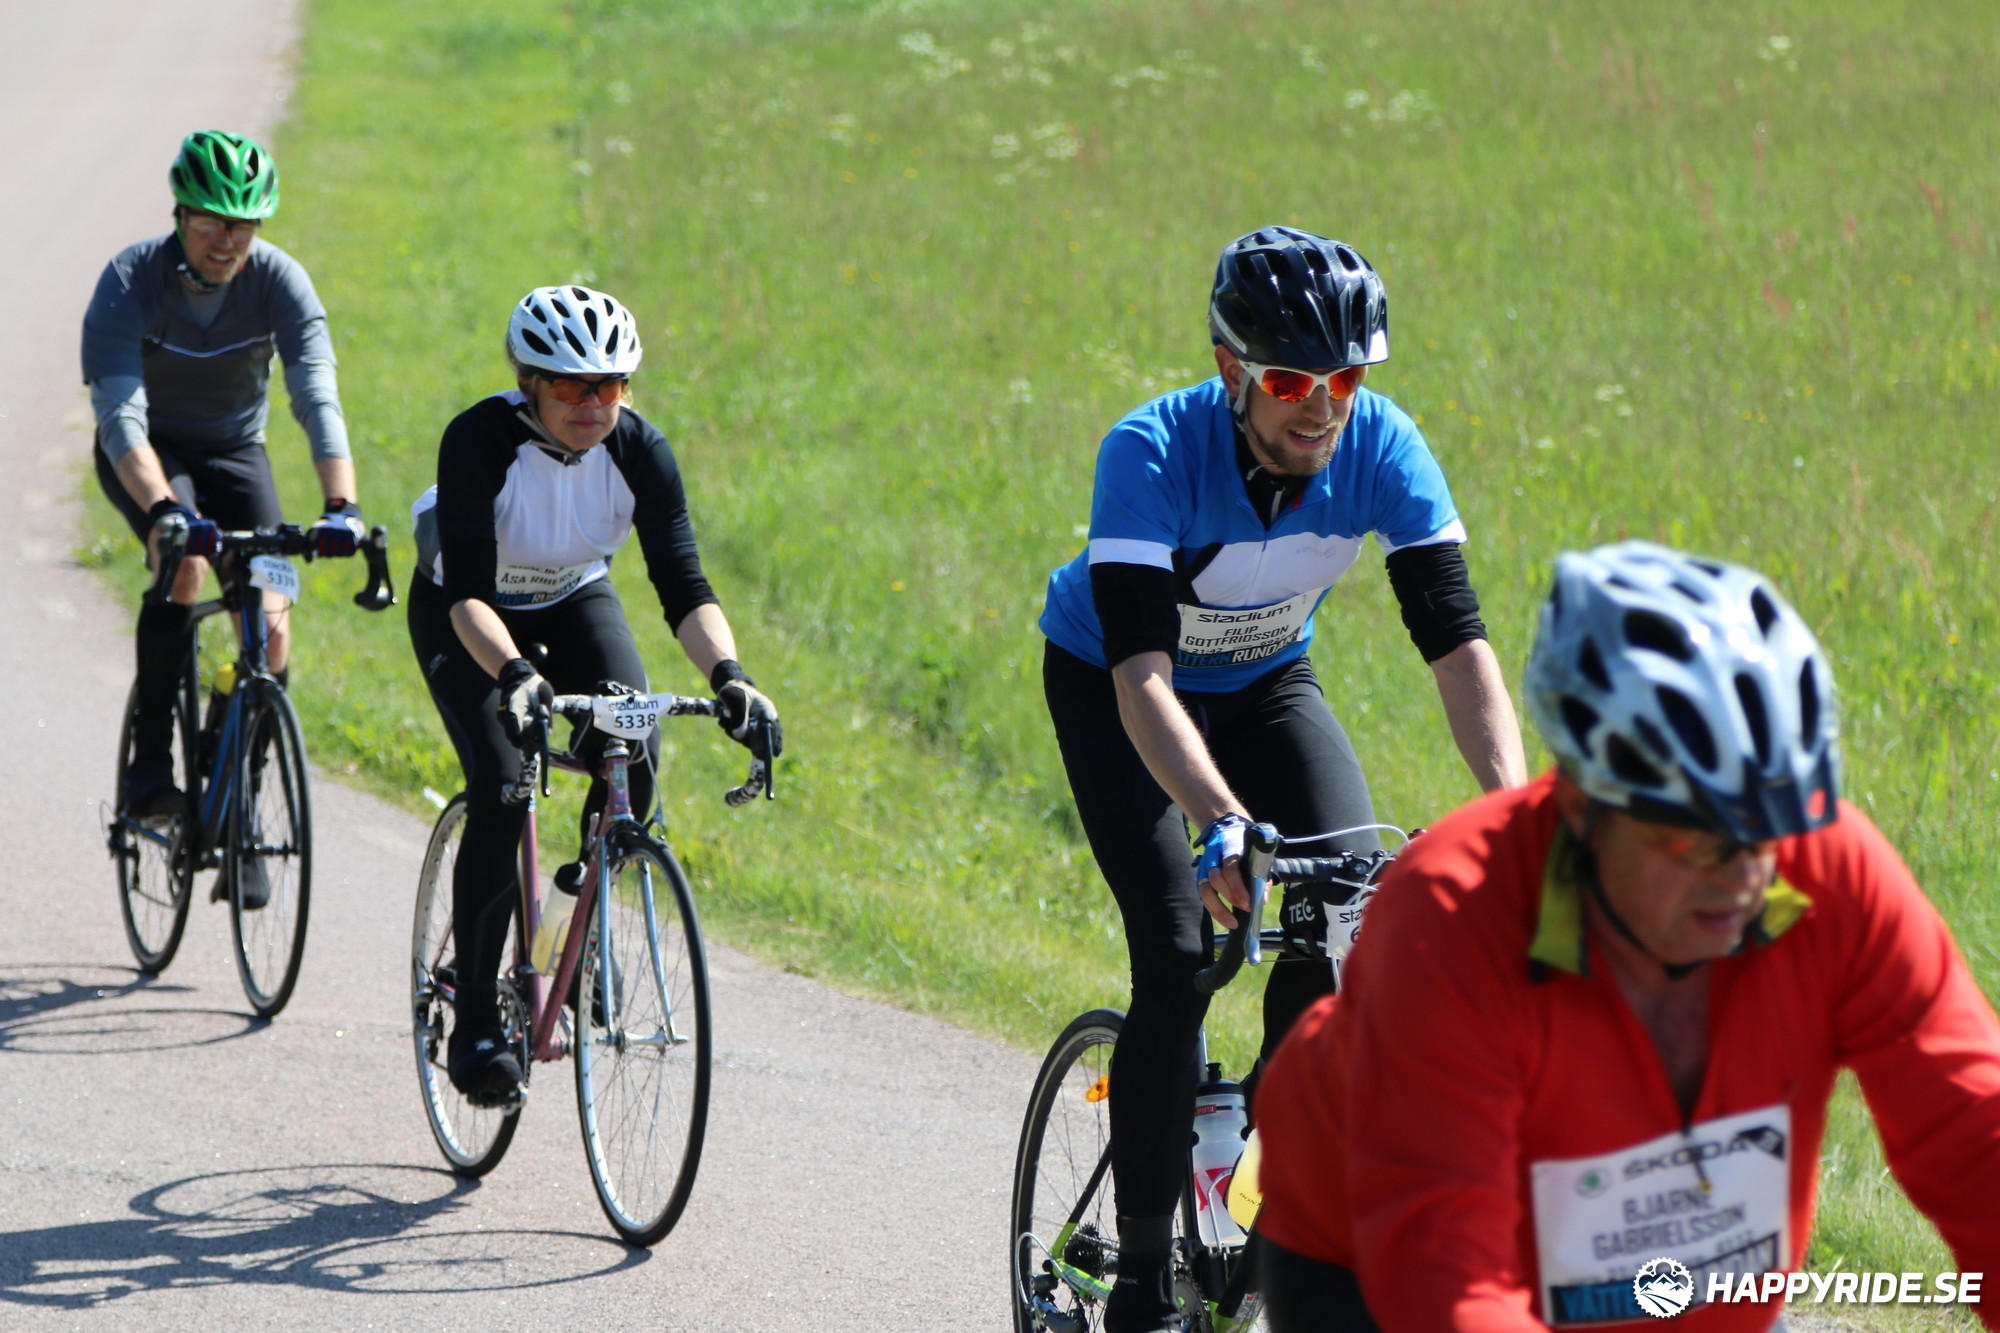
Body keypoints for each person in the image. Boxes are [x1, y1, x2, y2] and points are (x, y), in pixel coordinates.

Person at [1253, 542, 2000, 1332]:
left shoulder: (1829, 872)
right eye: (1695, 837)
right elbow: (1449, 1282)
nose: (1744, 872)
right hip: (1369, 1260)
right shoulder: (1449, 918)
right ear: (1581, 805)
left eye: (1769, 824)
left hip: (1673, 1258)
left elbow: (1973, 1135)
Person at [1037, 225, 1528, 1332]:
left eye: (1344, 380)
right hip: (1121, 691)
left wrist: (1514, 810)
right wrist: (1217, 818)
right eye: (1294, 382)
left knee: (1345, 924)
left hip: (1265, 686)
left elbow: (1458, 647)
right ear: (1232, 369)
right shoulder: (1150, 451)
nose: (1322, 408)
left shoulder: (1382, 447)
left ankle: (1265, 1166)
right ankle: (1139, 1276)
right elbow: (1141, 676)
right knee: (1177, 955)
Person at [408, 285, 781, 1104]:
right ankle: (476, 1016)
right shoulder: (478, 439)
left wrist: (731, 676)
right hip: (469, 614)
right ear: (530, 381)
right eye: (573, 386)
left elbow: (685, 587)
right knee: (505, 782)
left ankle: (564, 940)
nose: (593, 404)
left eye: (609, 385)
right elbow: (466, 596)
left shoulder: (640, 450)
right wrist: (515, 675)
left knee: (632, 755)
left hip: (574, 596)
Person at [84, 129, 367, 818]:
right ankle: (150, 763)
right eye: (210, 222)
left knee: (272, 625)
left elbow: (316, 395)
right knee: (184, 564)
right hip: (150, 452)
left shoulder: (280, 281)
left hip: (236, 450)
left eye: (243, 225)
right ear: (180, 214)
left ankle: (238, 791)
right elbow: (120, 418)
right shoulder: (131, 281)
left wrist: (342, 506)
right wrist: (163, 510)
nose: (226, 241)